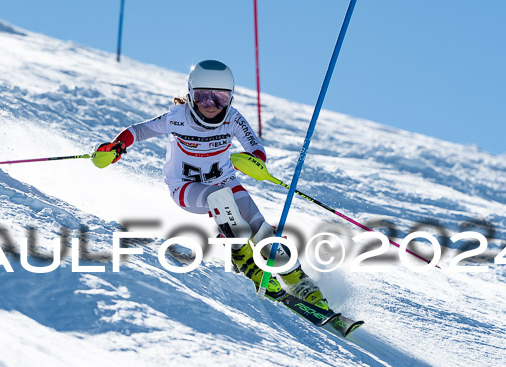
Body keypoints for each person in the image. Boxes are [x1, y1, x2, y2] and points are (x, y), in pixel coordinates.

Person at [92, 59, 329, 310]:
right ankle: (242, 256)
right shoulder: (176, 117)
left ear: (231, 97)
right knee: (220, 198)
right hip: (185, 187)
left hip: (225, 180)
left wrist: (254, 161)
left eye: (220, 99)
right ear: (191, 95)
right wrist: (117, 146)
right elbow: (138, 130)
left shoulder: (233, 119)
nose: (212, 106)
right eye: (204, 97)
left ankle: (297, 279)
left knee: (260, 227)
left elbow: (255, 147)